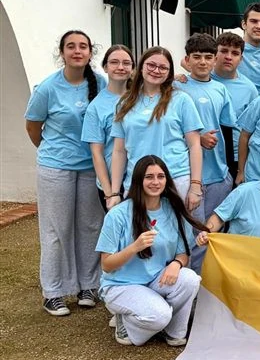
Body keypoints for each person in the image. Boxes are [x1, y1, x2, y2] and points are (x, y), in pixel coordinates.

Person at [24, 30, 107, 315]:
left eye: (83, 46)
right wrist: (53, 152)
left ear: (90, 53)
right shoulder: (47, 88)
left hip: (90, 167)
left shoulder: (101, 83)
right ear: (62, 53)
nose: (77, 51)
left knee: (90, 227)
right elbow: (33, 127)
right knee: (56, 230)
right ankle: (54, 291)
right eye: (71, 46)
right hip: (55, 168)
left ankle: (88, 286)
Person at [97, 155, 208, 346]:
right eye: (149, 177)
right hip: (121, 285)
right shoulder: (118, 215)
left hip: (156, 280)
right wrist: (134, 247)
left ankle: (173, 332)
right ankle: (128, 324)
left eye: (160, 176)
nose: (155, 182)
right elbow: (106, 265)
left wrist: (176, 263)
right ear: (139, 180)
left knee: (190, 278)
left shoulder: (172, 210)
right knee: (159, 315)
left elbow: (183, 252)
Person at [109, 46, 204, 215]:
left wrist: (195, 186)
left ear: (169, 72)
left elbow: (195, 145)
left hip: (175, 179)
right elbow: (119, 151)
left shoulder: (181, 100)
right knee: (140, 236)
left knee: (180, 235)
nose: (156, 71)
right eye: (151, 65)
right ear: (141, 67)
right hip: (137, 181)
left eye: (163, 67)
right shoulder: (124, 104)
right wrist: (114, 192)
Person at [176, 33, 237, 270]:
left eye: (208, 57)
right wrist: (196, 138)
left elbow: (227, 130)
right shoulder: (176, 86)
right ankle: (189, 284)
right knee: (192, 233)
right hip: (190, 174)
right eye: (197, 57)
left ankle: (206, 287)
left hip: (218, 174)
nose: (202, 62)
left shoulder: (220, 89)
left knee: (211, 233)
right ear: (187, 60)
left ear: (215, 60)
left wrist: (231, 169)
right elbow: (169, 126)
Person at [82, 45, 135, 212]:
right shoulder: (96, 107)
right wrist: (109, 192)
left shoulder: (142, 97)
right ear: (105, 67)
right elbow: (97, 153)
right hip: (114, 185)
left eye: (126, 63)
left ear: (133, 68)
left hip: (142, 179)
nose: (120, 67)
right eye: (114, 62)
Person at [210, 32, 259, 184]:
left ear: (241, 58)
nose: (229, 56)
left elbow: (253, 130)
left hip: (236, 159)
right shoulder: (199, 81)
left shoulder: (249, 89)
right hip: (206, 157)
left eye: (235, 53)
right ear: (215, 54)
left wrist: (242, 170)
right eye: (224, 51)